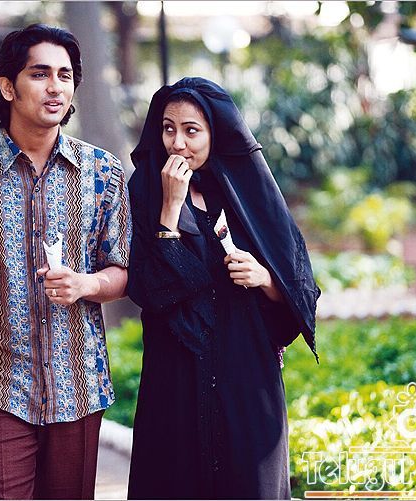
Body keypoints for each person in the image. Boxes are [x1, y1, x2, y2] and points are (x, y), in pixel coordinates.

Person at [0, 24, 131, 500]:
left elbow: (122, 272)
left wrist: (87, 285)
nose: (55, 87)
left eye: (65, 75)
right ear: (8, 86)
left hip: (78, 387)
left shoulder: (103, 173)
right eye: (40, 74)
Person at [126, 77, 321, 499]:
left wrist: (265, 278)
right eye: (168, 128)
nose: (178, 143)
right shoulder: (145, 192)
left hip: (246, 377)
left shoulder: (249, 195)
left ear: (215, 134)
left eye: (191, 130)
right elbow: (149, 289)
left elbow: (301, 288)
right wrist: (170, 208)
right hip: (175, 379)